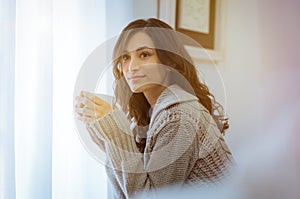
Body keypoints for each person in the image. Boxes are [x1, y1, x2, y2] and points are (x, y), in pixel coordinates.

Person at [74, 18, 234, 199]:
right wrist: (103, 130)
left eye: (144, 55)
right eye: (125, 57)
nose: (131, 67)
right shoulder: (149, 116)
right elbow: (126, 189)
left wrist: (116, 134)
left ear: (170, 62)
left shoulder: (179, 117)